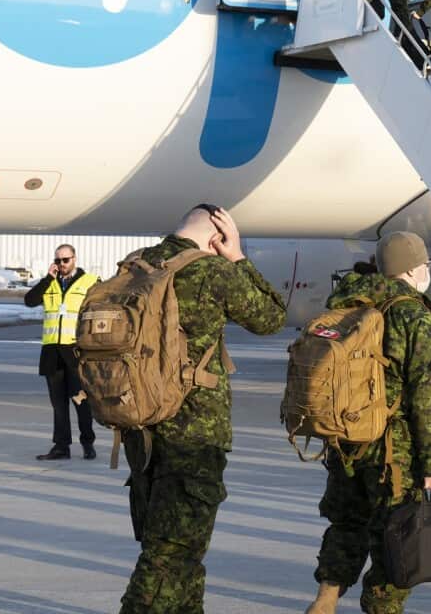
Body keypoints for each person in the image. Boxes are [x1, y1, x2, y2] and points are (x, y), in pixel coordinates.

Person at [118, 205, 287, 614]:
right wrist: (238, 256)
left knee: (176, 547)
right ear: (216, 237)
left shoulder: (135, 265)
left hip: (138, 423)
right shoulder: (211, 271)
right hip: (193, 431)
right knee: (170, 552)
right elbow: (272, 318)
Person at [306, 232, 431, 614]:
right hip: (392, 449)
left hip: (345, 438)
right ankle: (381, 607)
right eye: (425, 267)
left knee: (346, 523)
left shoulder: (347, 305)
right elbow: (429, 394)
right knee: (397, 534)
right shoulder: (413, 316)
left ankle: (326, 597)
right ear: (414, 268)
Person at [24, 244, 99, 461]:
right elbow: (30, 301)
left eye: (65, 260)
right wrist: (48, 278)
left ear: (74, 259)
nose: (61, 264)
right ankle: (61, 446)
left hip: (75, 352)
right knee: (58, 404)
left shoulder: (90, 282)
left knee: (80, 401)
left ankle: (88, 442)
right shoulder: (50, 284)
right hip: (52, 353)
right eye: (58, 261)